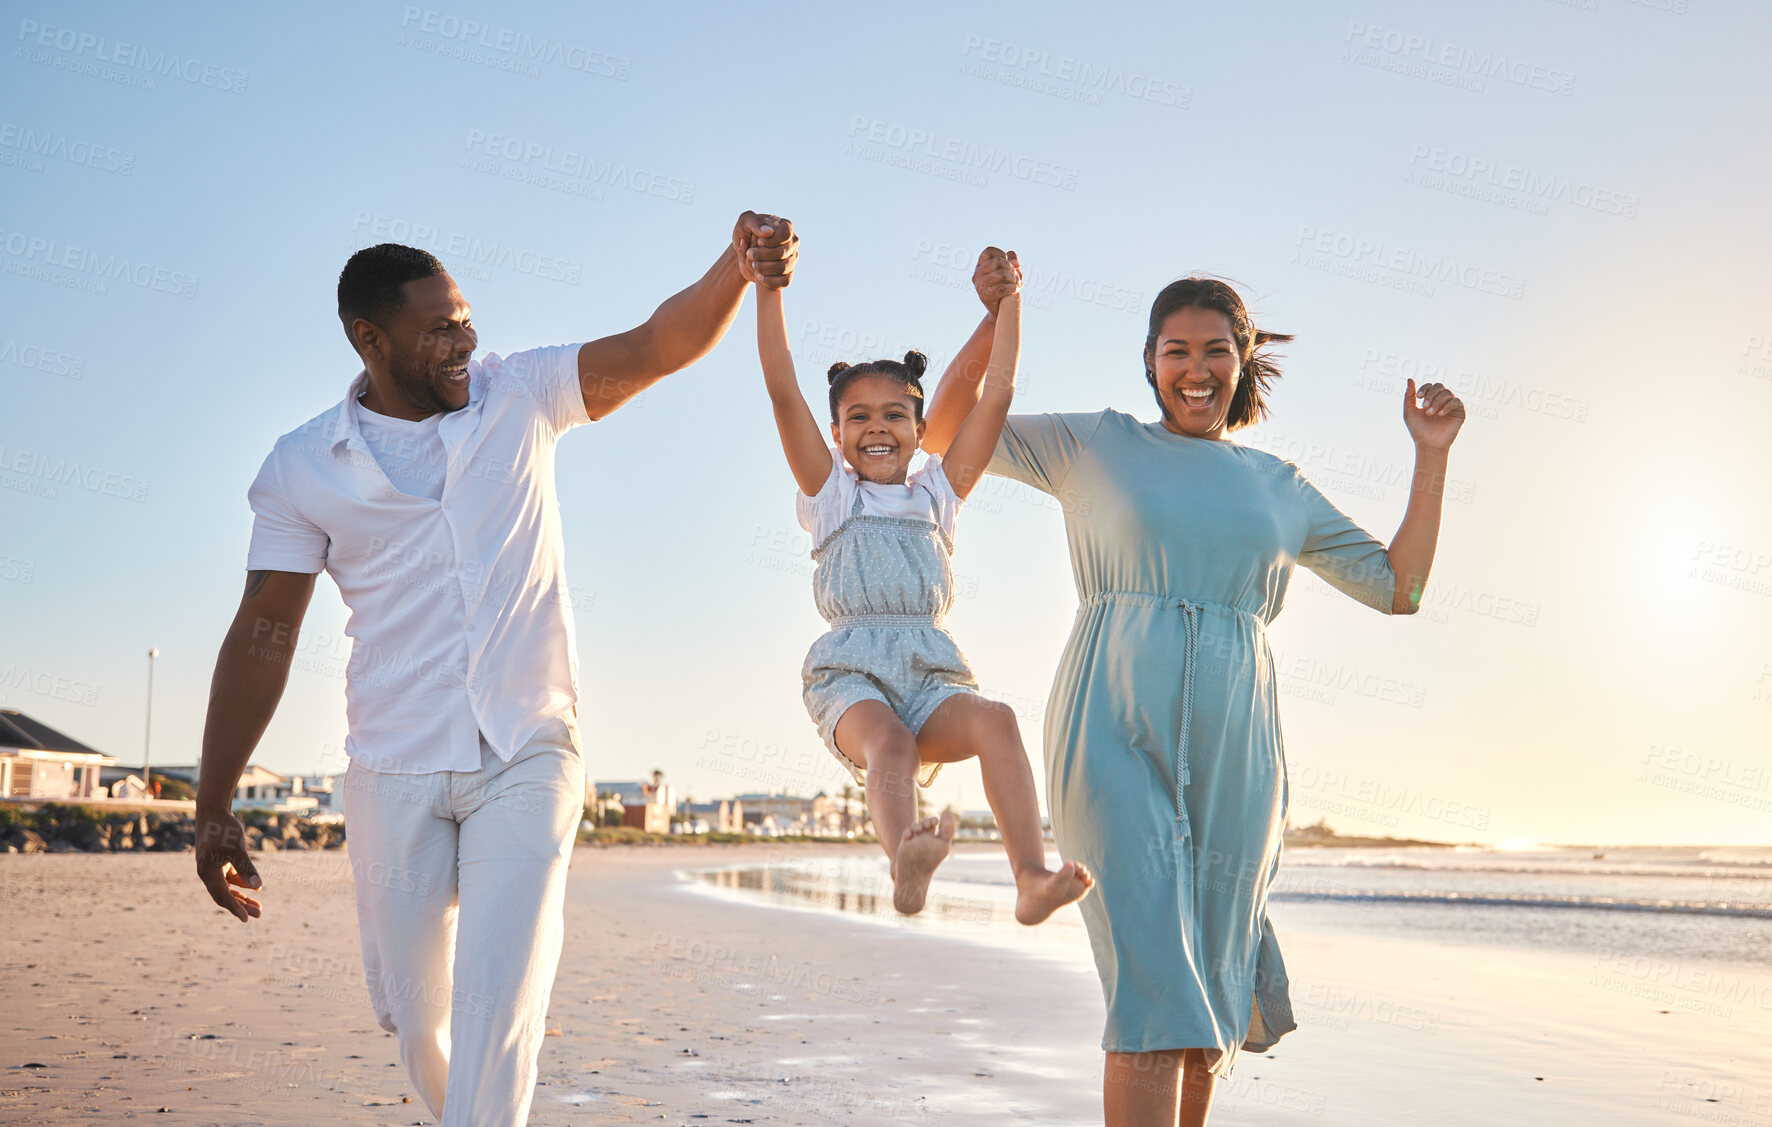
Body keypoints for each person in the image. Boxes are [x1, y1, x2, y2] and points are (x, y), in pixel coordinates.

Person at [192, 212, 797, 1127]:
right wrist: (213, 803)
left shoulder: (524, 394)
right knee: (412, 1013)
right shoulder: (304, 464)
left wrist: (736, 265)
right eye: (437, 325)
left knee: (499, 1005)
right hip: (391, 759)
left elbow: (659, 344)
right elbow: (264, 633)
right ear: (370, 338)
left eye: (466, 315)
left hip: (527, 749)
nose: (464, 337)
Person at [923, 255, 1466, 1126]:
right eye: (1176, 350)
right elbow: (943, 430)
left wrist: (1430, 455)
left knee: (1211, 980)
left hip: (1238, 751)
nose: (1196, 369)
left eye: (1216, 350)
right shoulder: (1093, 443)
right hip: (1108, 722)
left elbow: (1399, 589)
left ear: (1243, 361)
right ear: (1149, 361)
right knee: (1154, 978)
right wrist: (997, 316)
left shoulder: (1279, 487)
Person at [752, 245, 1092, 922]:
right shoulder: (830, 494)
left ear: (919, 428)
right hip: (850, 673)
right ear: (836, 433)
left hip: (931, 670)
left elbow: (993, 390)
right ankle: (905, 859)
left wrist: (1009, 303)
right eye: (858, 417)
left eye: (895, 414)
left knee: (997, 720)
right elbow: (783, 385)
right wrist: (769, 289)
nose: (877, 426)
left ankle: (1029, 877)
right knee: (893, 745)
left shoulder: (938, 493)